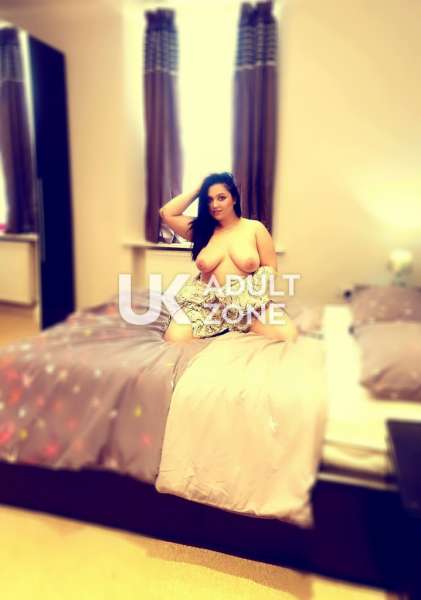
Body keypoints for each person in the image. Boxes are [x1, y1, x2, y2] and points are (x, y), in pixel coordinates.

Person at [159, 172, 299, 343]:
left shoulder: (254, 228)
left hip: (246, 305)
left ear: (234, 199)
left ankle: (238, 324)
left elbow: (270, 268)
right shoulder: (201, 230)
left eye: (221, 198)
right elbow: (166, 213)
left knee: (288, 335)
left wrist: (244, 295)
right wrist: (198, 189)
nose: (214, 205)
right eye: (209, 199)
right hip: (206, 306)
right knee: (174, 339)